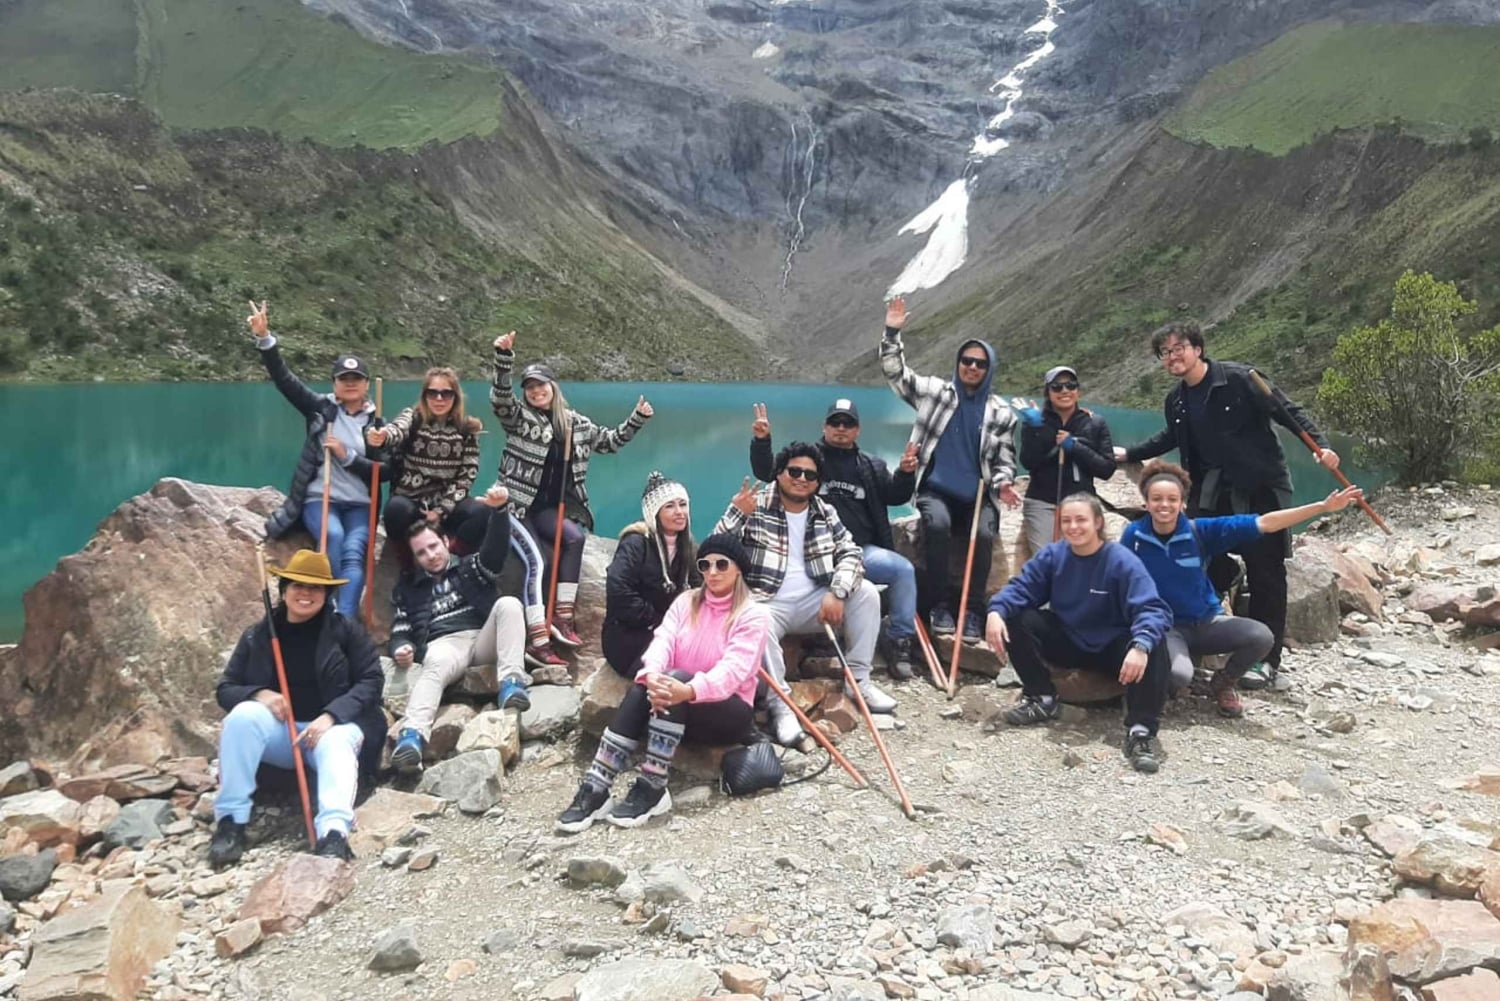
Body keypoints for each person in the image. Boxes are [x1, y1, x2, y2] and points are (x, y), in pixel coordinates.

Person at [1113, 322, 1341, 691]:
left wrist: (1320, 445)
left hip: (1259, 487)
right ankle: (1204, 624)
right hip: (1210, 491)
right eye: (1165, 353)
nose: (1173, 356)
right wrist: (1131, 453)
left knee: (1266, 571)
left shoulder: (1240, 379)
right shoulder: (1177, 400)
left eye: (1179, 348)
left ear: (1198, 348)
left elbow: (1287, 411)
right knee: (1204, 555)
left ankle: (1266, 662)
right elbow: (1170, 436)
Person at [557, 534, 770, 832]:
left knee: (675, 680)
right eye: (705, 565)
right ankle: (596, 787)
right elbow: (662, 641)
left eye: (722, 564)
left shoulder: (753, 615)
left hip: (727, 713)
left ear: (738, 570)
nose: (712, 572)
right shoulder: (686, 602)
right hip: (677, 702)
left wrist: (688, 689)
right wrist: (653, 675)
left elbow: (732, 673)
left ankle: (653, 786)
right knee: (647, 683)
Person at [1121, 461, 1364, 717]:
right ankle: (1163, 683)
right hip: (1166, 628)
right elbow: (1118, 579)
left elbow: (1266, 523)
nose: (1164, 505)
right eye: (1156, 499)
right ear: (1146, 503)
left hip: (1205, 622)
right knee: (1179, 676)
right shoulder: (1134, 537)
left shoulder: (1199, 531)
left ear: (1183, 503)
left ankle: (1222, 683)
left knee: (1261, 636)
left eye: (1172, 499)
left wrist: (1323, 507)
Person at [369, 369, 567, 670]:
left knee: (481, 511)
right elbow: (395, 431)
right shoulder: (412, 418)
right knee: (395, 510)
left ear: (454, 397)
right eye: (432, 393)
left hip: (445, 505)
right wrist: (382, 437)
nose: (438, 398)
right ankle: (411, 566)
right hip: (411, 500)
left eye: (445, 393)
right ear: (424, 396)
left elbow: (466, 477)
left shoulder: (468, 429)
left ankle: (456, 565)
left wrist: (443, 510)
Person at [210, 550, 386, 867]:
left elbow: (371, 680)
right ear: (283, 590)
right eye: (297, 585)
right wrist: (259, 694)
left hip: (333, 732)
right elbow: (225, 689)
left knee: (335, 741)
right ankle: (231, 823)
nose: (305, 593)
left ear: (327, 594)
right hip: (284, 737)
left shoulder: (345, 630)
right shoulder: (259, 635)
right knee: (242, 717)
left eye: (315, 587)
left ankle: (333, 833)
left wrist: (331, 715)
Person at [714, 442, 892, 747]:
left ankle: (858, 682)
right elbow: (714, 554)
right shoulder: (755, 506)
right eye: (794, 471)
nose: (802, 478)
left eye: (810, 475)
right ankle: (780, 705)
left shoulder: (825, 512)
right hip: (768, 601)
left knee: (866, 594)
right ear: (779, 474)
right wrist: (736, 515)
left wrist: (836, 591)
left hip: (817, 604)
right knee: (756, 618)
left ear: (818, 482)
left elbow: (851, 552)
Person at [986, 494, 1174, 773]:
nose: (1073, 527)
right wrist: (995, 611)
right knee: (1015, 616)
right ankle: (1042, 698)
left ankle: (1140, 731)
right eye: (1066, 521)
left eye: (1081, 520)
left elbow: (1153, 609)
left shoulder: (1120, 560)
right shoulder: (1054, 555)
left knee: (1155, 641)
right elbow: (1022, 589)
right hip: (1070, 639)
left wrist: (1141, 646)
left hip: (1113, 647)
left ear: (1097, 522)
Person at [490, 330, 653, 647]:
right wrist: (503, 360)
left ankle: (562, 618)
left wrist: (636, 419)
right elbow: (500, 400)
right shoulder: (520, 418)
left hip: (548, 509)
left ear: (553, 387)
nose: (536, 391)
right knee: (539, 561)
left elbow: (609, 441)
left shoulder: (576, 424)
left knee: (575, 538)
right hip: (516, 506)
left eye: (541, 385)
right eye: (531, 388)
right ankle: (538, 634)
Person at [881, 296, 1020, 642]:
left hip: (977, 495)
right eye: (966, 361)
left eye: (980, 364)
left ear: (989, 370)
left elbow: (1004, 460)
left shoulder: (1002, 413)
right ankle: (940, 605)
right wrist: (891, 333)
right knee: (937, 525)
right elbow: (896, 374)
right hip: (936, 489)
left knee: (985, 535)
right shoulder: (935, 393)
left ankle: (972, 610)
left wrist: (1002, 484)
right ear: (958, 363)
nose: (972, 367)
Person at [749, 400, 920, 679]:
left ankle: (898, 641)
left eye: (848, 423)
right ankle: (818, 638)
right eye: (835, 422)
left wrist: (905, 473)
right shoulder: (809, 461)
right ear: (824, 426)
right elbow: (768, 473)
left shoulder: (871, 465)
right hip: (810, 553)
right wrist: (761, 441)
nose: (841, 428)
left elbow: (895, 496)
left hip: (858, 551)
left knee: (902, 570)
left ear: (857, 430)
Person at [248, 301, 384, 616]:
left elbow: (385, 470)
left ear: (366, 384)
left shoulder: (377, 423)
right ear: (334, 382)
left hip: (360, 505)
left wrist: (347, 456)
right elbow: (285, 381)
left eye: (356, 378)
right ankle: (330, 609)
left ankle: (344, 621)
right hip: (320, 499)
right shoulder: (321, 408)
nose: (350, 383)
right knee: (332, 537)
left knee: (354, 552)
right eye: (343, 377)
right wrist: (265, 339)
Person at [388, 486, 528, 774]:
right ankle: (412, 736)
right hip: (444, 645)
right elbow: (400, 630)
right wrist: (401, 647)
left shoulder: (470, 567)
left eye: (434, 547)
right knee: (435, 662)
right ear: (415, 558)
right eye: (422, 553)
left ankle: (512, 682)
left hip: (481, 638)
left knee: (510, 605)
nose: (430, 555)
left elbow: (496, 551)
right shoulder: (408, 589)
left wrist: (500, 512)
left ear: (446, 542)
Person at [602, 471, 702, 679]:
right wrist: (656, 618)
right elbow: (617, 587)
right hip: (629, 637)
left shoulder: (688, 546)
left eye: (682, 504)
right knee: (678, 671)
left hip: (669, 631)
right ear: (654, 512)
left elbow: (697, 587)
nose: (679, 512)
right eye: (669, 506)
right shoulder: (636, 542)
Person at [1014, 365, 1116, 559]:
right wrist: (1034, 429)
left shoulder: (1094, 422)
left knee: (1083, 561)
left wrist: (1075, 447)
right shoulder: (1036, 420)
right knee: (1046, 562)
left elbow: (1107, 469)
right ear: (1047, 391)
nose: (1065, 391)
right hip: (1042, 502)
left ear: (1078, 390)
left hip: (1082, 502)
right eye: (1057, 387)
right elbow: (1028, 462)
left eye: (1070, 385)